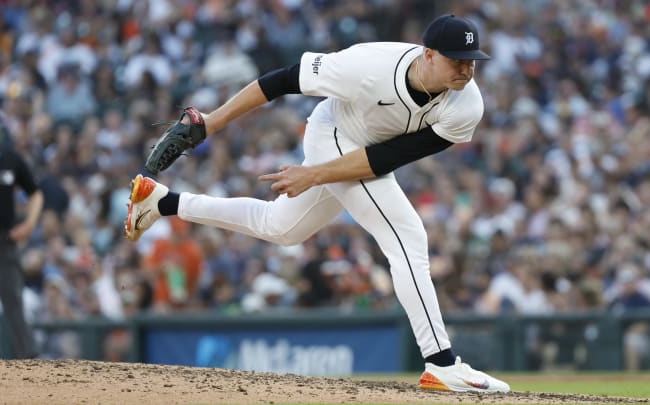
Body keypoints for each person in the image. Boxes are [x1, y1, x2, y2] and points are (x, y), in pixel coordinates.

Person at [126, 15, 510, 393]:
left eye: (471, 58)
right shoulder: (367, 65)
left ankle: (162, 202)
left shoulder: (466, 106)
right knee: (407, 237)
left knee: (281, 228)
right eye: (456, 58)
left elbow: (387, 158)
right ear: (428, 54)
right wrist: (212, 122)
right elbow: (281, 80)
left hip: (362, 153)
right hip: (332, 131)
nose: (466, 67)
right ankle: (441, 362)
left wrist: (315, 175)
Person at [0, 101, 42, 358]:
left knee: (13, 299)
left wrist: (29, 224)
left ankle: (31, 358)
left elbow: (35, 193)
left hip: (5, 238)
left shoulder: (9, 158)